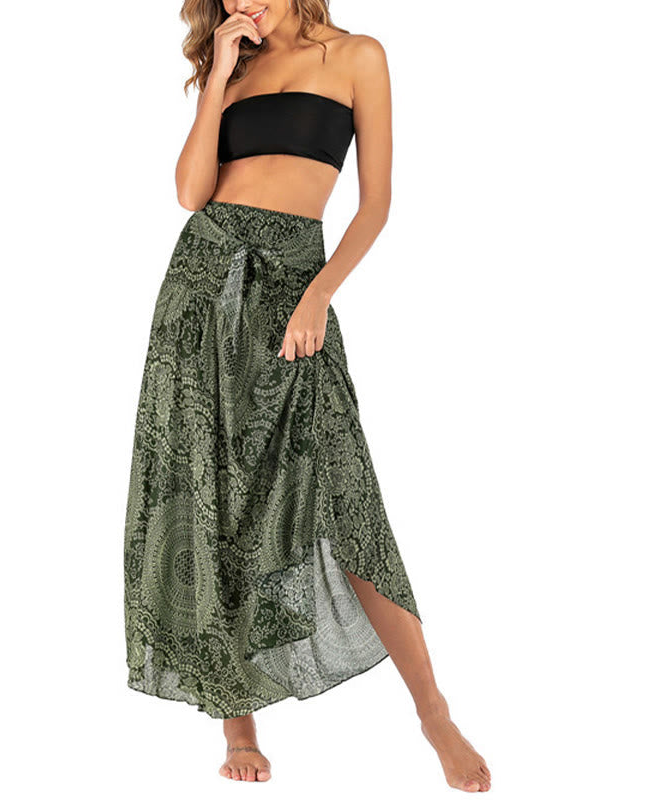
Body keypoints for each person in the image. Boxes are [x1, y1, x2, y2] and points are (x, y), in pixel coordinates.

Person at [123, 0, 491, 791]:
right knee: (211, 496)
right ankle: (237, 722)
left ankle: (433, 712)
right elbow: (190, 193)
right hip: (200, 287)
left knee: (345, 493)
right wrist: (218, 76)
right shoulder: (234, 64)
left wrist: (318, 294)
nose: (242, 2)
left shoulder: (357, 56)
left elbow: (376, 203)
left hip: (295, 283)